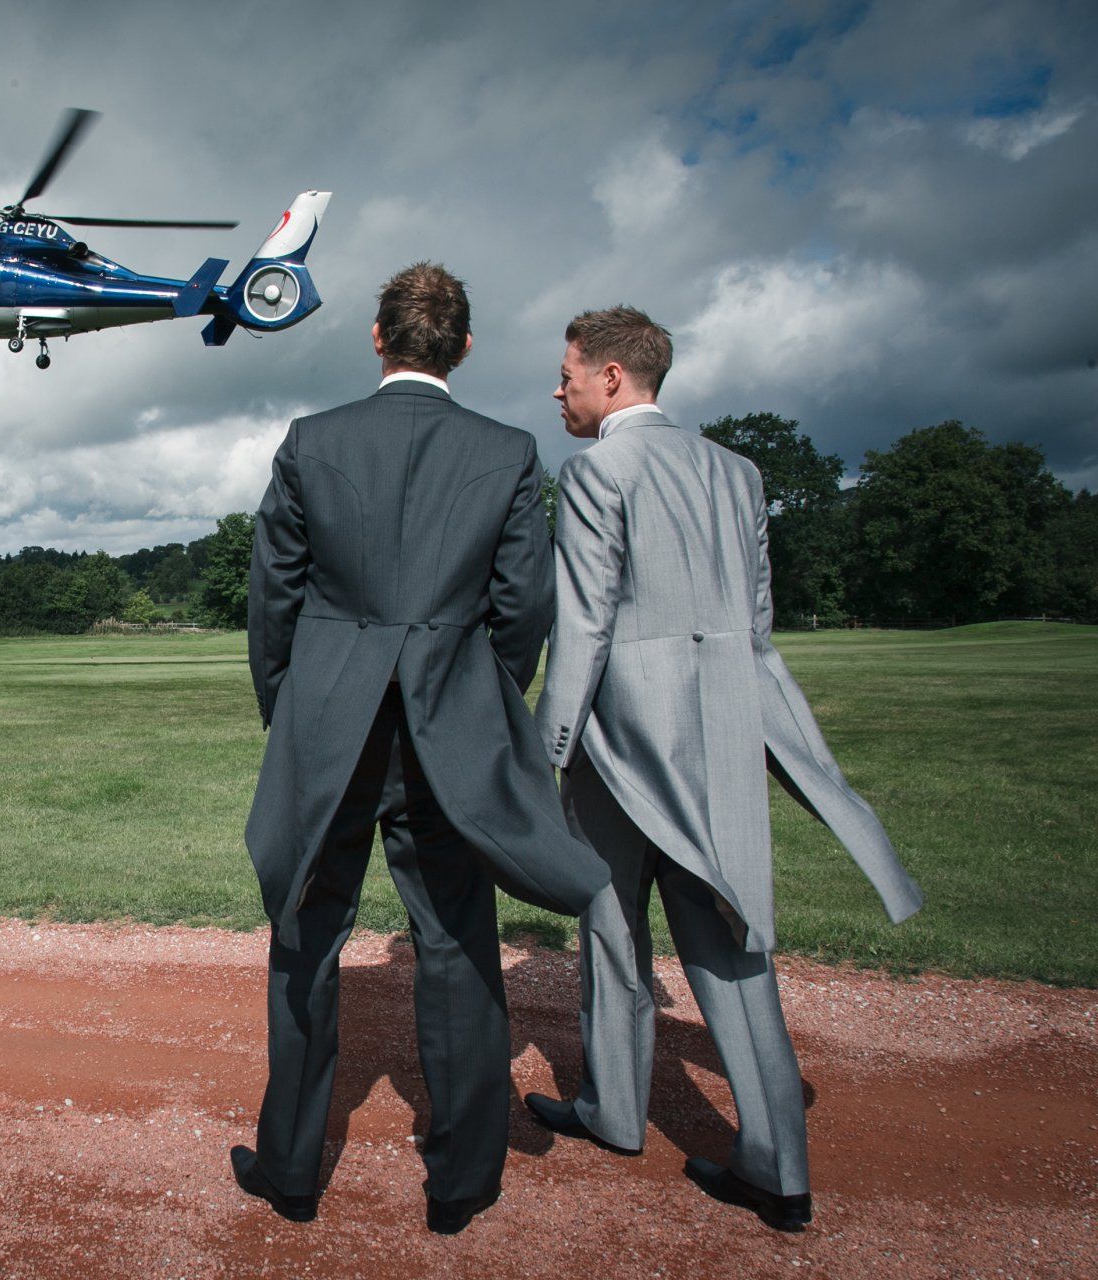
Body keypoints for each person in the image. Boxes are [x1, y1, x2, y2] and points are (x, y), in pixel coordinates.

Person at [527, 305, 923, 1231]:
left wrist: (548, 752)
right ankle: (778, 1165)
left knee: (612, 923)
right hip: (728, 725)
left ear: (613, 378)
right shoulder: (739, 473)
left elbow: (582, 625)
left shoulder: (595, 472)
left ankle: (615, 1114)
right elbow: (755, 622)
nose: (560, 389)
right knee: (734, 942)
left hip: (621, 740)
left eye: (568, 373)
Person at [232, 262, 609, 1235]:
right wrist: (477, 700)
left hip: (330, 725)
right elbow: (524, 608)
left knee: (307, 937)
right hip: (448, 726)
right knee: (455, 940)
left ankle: (290, 1169)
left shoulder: (315, 441)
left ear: (376, 336)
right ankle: (462, 1179)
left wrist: (296, 710)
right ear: (467, 346)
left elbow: (273, 600)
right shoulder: (508, 449)